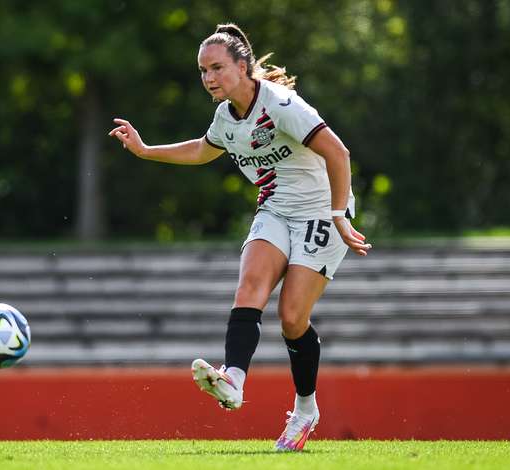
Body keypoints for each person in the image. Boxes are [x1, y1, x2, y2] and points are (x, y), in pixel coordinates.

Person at [108, 23, 371, 451]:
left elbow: (338, 153)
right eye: (202, 71)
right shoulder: (225, 116)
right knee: (249, 286)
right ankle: (233, 379)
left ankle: (306, 410)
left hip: (320, 212)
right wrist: (146, 150)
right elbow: (203, 149)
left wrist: (339, 215)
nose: (208, 78)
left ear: (243, 66)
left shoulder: (281, 104)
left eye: (216, 68)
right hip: (275, 210)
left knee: (291, 319)